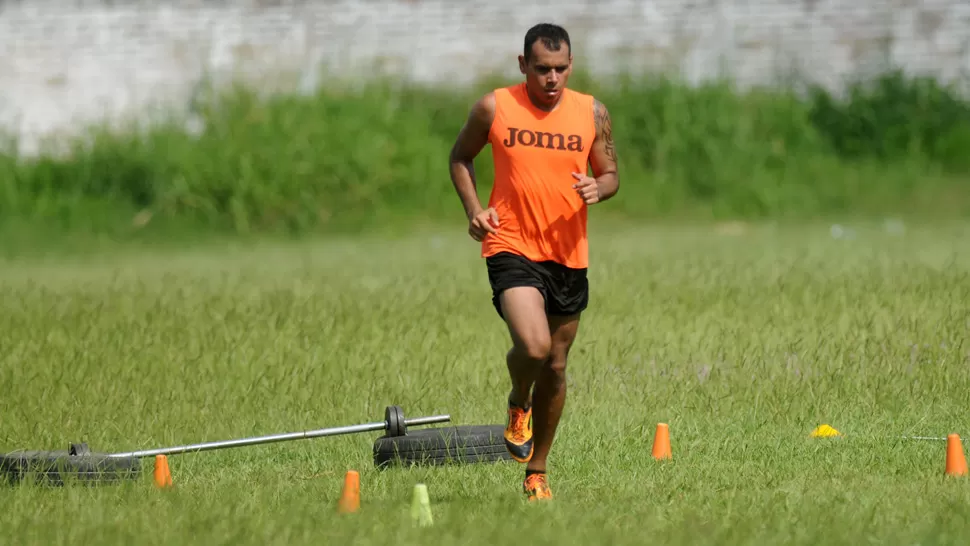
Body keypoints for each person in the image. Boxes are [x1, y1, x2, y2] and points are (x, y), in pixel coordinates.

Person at [447, 22, 620, 501]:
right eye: (542, 69)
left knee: (558, 366)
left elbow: (610, 175)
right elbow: (460, 158)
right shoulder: (495, 107)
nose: (552, 79)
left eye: (561, 69)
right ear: (523, 64)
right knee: (535, 346)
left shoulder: (593, 112)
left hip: (568, 254)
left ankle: (536, 471)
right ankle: (517, 401)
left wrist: (597, 189)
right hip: (511, 244)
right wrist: (474, 211)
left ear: (571, 66)